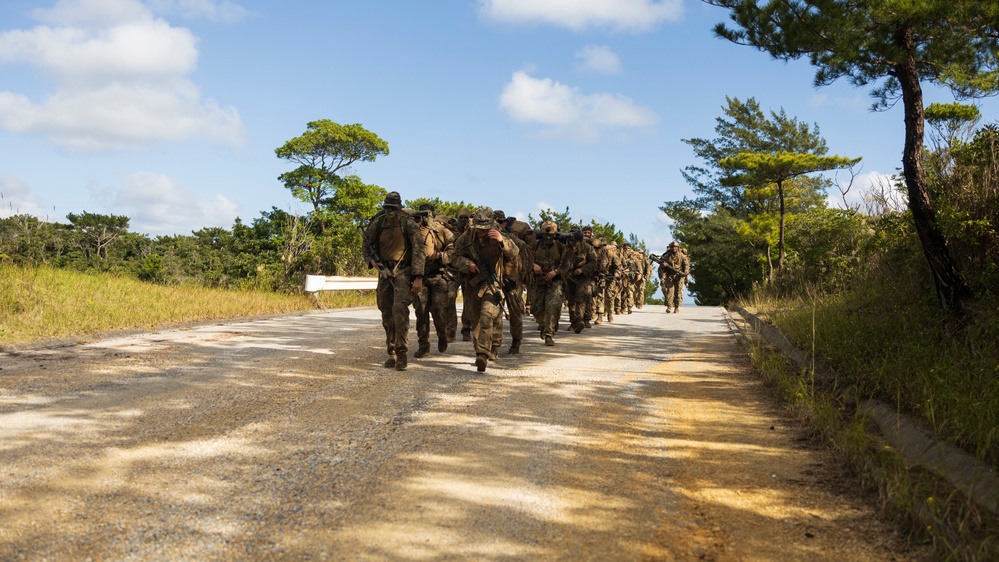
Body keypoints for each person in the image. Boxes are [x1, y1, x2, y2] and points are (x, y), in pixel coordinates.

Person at [450, 207, 520, 372]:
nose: (481, 231)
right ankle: (484, 348)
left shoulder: (498, 235)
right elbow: (454, 256)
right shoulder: (466, 237)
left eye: (485, 228)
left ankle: (483, 353)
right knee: (475, 319)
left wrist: (502, 241)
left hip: (493, 281)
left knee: (487, 315)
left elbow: (514, 252)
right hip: (473, 283)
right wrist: (468, 264)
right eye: (479, 227)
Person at [361, 191, 425, 371]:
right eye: (388, 208)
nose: (391, 212)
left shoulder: (408, 224)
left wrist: (418, 277)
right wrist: (371, 261)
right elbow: (366, 246)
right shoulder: (378, 224)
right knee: (386, 312)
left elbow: (419, 250)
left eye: (394, 208)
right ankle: (392, 352)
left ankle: (402, 352)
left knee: (399, 311)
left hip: (403, 271)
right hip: (384, 271)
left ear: (399, 207)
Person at [412, 203, 455, 358]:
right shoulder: (413, 229)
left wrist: (439, 256)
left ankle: (442, 334)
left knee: (438, 310)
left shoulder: (442, 231)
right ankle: (423, 345)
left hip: (438, 276)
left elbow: (454, 251)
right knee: (421, 312)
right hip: (420, 278)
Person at [531, 220, 568, 346]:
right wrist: (533, 265)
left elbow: (567, 264)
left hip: (555, 282)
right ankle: (544, 325)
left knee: (553, 306)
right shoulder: (535, 245)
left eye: (551, 235)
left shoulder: (561, 247)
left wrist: (556, 272)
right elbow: (525, 258)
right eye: (546, 235)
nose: (548, 238)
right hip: (538, 281)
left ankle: (549, 334)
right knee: (536, 308)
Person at [563, 226, 597, 333]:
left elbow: (593, 262)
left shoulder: (587, 247)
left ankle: (579, 320)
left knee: (581, 299)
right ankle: (573, 322)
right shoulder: (564, 247)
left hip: (583, 277)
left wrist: (582, 269)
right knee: (571, 300)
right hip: (568, 277)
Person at [658, 241, 690, 313]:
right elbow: (661, 267)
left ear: (678, 248)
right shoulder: (667, 256)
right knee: (670, 291)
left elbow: (686, 265)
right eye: (672, 247)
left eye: (675, 247)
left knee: (678, 292)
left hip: (679, 275)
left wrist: (686, 271)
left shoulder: (682, 256)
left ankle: (676, 306)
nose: (674, 248)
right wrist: (663, 266)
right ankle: (669, 306)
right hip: (670, 275)